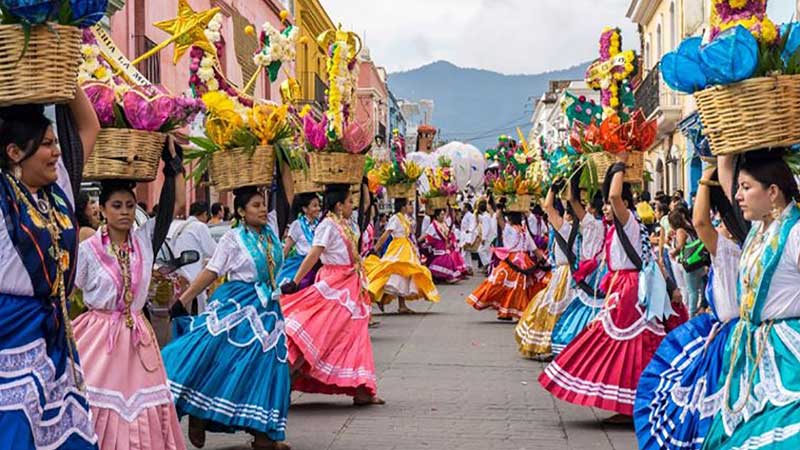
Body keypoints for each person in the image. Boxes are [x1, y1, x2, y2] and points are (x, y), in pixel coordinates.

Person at [539, 152, 687, 422]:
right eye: (605, 204)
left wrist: (618, 164)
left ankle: (632, 404)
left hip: (628, 289)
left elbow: (617, 197)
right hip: (619, 286)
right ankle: (627, 403)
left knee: (626, 346)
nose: (606, 207)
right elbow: (574, 202)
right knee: (620, 346)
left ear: (624, 204)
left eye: (609, 203)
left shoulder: (627, 220)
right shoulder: (613, 227)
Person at [0, 90, 101, 449]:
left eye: (55, 141)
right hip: (9, 331)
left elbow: (90, 126)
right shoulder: (3, 195)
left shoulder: (59, 189)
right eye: (46, 144)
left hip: (53, 331)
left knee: (62, 435)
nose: (57, 151)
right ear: (14, 153)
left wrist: (68, 69)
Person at [73, 146, 186, 450]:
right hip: (98, 338)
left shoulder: (145, 241)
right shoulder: (87, 250)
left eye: (129, 205)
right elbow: (74, 292)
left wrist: (172, 165)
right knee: (92, 400)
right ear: (103, 210)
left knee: (144, 404)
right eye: (116, 205)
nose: (123, 211)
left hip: (138, 337)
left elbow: (172, 205)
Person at [163, 186, 291, 450]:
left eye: (263, 204)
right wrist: (183, 300)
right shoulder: (232, 238)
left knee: (270, 365)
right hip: (237, 305)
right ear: (242, 212)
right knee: (222, 360)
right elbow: (211, 271)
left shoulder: (271, 235)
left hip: (268, 308)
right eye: (256, 205)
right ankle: (198, 411)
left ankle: (264, 432)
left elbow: (287, 195)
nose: (263, 209)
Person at [634, 163, 742, 450]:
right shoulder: (742, 247)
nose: (717, 227)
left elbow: (702, 222)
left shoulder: (732, 250)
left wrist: (708, 176)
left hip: (735, 337)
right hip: (731, 333)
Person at [701, 150, 800, 449]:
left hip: (787, 351)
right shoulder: (760, 229)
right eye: (740, 188)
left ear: (772, 192)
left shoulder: (794, 233)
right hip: (751, 349)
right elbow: (728, 182)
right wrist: (723, 155)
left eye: (747, 188)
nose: (739, 196)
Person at [280, 184, 384, 406]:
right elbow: (314, 254)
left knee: (354, 334)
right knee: (320, 334)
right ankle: (283, 381)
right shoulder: (327, 225)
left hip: (351, 284)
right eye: (348, 202)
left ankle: (362, 388)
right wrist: (295, 281)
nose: (352, 205)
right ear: (338, 205)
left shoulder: (346, 223)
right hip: (334, 286)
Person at [516, 185, 577, 359]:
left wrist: (552, 188)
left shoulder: (564, 228)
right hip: (578, 273)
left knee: (553, 308)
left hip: (565, 273)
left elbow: (548, 207)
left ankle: (552, 344)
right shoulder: (587, 228)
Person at [550, 189, 609, 356]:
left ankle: (580, 344)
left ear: (591, 209)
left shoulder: (591, 223)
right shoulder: (611, 225)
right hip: (605, 271)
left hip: (590, 271)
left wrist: (571, 185)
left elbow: (572, 201)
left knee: (585, 307)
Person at [467, 210, 547, 320]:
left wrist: (500, 206)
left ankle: (512, 311)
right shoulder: (523, 231)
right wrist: (544, 261)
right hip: (522, 262)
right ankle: (510, 311)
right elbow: (534, 249)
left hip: (513, 261)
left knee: (502, 285)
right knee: (516, 287)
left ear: (509, 220)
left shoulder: (511, 229)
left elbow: (499, 217)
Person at [365, 197, 440, 314]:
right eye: (409, 204)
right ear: (403, 206)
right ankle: (381, 296)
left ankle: (401, 305)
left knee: (405, 275)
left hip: (406, 247)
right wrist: (375, 248)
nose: (411, 207)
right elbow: (386, 234)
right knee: (392, 273)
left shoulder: (405, 218)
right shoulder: (395, 218)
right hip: (398, 247)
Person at [169, 201, 218, 312]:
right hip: (194, 273)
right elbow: (212, 250)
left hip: (179, 272)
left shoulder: (180, 226)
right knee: (200, 308)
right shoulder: (199, 226)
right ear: (205, 214)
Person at [277, 193, 321, 289]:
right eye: (314, 206)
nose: (318, 208)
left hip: (319, 263)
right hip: (301, 264)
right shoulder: (297, 225)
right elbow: (287, 248)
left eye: (319, 205)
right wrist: (277, 269)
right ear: (305, 209)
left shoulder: (321, 224)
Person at [667, 206, 705, 317]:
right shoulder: (688, 227)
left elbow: (680, 246)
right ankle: (698, 308)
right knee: (698, 287)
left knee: (691, 290)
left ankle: (691, 314)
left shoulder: (680, 231)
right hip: (697, 261)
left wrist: (674, 251)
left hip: (689, 263)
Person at [423, 208, 468, 283]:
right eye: (441, 215)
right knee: (446, 257)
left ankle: (448, 276)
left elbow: (448, 235)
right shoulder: (433, 225)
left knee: (449, 256)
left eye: (444, 214)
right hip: (437, 248)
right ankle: (448, 277)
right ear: (437, 216)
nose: (443, 216)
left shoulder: (444, 224)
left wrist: (450, 242)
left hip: (445, 246)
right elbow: (428, 237)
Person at [459, 202, 481, 273]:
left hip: (467, 235)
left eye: (463, 207)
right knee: (466, 253)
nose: (462, 208)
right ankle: (469, 267)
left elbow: (472, 225)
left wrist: (469, 232)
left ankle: (464, 267)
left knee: (464, 252)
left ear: (466, 208)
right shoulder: (466, 215)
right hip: (464, 235)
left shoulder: (470, 215)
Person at [477, 200, 496, 269]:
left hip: (487, 237)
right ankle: (488, 266)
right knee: (487, 252)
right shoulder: (487, 215)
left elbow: (486, 228)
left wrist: (483, 238)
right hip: (490, 236)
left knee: (480, 250)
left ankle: (488, 264)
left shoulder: (485, 216)